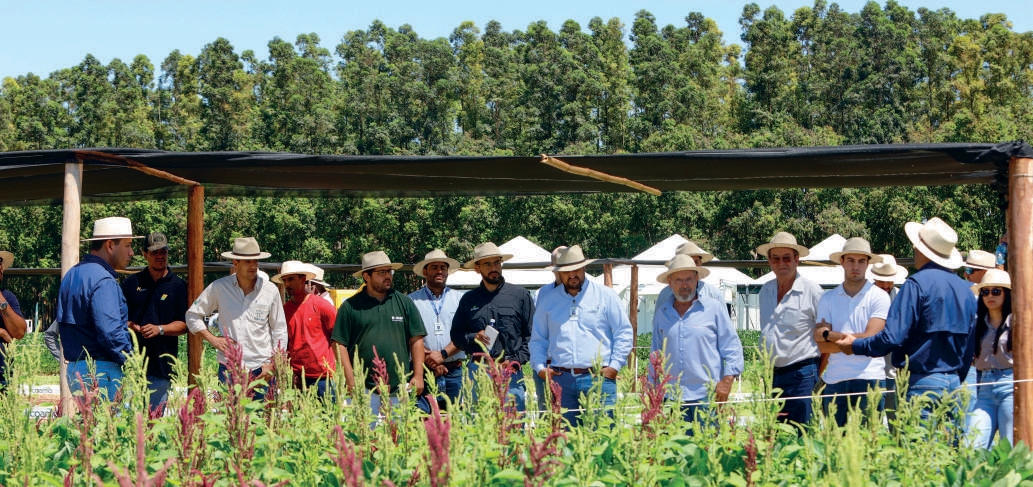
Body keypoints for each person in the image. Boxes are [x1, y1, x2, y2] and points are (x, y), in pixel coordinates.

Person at [837, 217, 977, 421]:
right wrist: (956, 376)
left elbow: (892, 337)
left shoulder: (916, 285)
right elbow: (970, 345)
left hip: (921, 381)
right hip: (954, 382)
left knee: (917, 447)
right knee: (950, 448)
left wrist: (856, 345)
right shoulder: (967, 290)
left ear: (921, 250)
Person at [530, 245, 633, 426]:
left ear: (584, 267)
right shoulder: (547, 300)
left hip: (598, 378)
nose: (572, 275)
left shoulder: (606, 296)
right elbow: (538, 339)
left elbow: (623, 332)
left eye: (576, 269)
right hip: (561, 379)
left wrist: (614, 367)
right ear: (558, 273)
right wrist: (540, 368)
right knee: (563, 441)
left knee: (603, 438)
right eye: (566, 271)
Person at [186, 237, 288, 400]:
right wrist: (213, 339)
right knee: (230, 421)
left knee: (261, 422)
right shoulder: (219, 287)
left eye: (256, 260)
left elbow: (280, 330)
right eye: (247, 261)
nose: (253, 265)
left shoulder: (270, 291)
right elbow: (192, 315)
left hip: (262, 368)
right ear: (235, 262)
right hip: (229, 368)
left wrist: (273, 364)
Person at [650, 254, 743, 425]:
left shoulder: (714, 309)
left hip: (708, 395)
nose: (684, 285)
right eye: (678, 280)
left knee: (709, 447)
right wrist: (653, 389)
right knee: (677, 448)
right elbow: (656, 354)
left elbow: (732, 346)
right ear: (669, 282)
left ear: (697, 279)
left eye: (688, 279)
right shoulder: (662, 313)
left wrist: (727, 381)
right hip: (674, 396)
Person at [332, 251, 427, 414]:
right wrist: (351, 380)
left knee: (397, 437)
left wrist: (418, 376)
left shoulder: (404, 303)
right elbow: (338, 344)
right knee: (364, 437)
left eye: (389, 271)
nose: (388, 276)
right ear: (366, 276)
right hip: (364, 390)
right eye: (381, 272)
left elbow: (416, 340)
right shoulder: (350, 307)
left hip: (399, 388)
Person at [57, 217, 140, 400]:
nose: (132, 252)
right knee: (111, 427)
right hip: (102, 372)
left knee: (89, 427)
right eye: (127, 245)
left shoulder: (72, 275)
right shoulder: (103, 280)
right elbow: (110, 332)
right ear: (110, 245)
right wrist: (133, 360)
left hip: (76, 368)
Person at [813, 238, 890, 427]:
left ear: (868, 264)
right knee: (835, 445)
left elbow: (873, 339)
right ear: (842, 262)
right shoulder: (828, 298)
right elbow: (821, 344)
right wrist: (858, 344)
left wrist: (830, 335)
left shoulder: (880, 296)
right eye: (851, 260)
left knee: (868, 445)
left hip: (870, 377)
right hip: (835, 378)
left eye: (861, 261)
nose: (855, 266)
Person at [451, 242, 534, 411]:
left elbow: (532, 337)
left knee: (514, 429)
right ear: (477, 268)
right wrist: (473, 337)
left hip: (510, 373)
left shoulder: (520, 296)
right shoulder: (468, 299)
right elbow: (456, 335)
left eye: (497, 262)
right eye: (487, 264)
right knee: (480, 428)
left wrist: (515, 361)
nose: (493, 267)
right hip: (478, 372)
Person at [757, 231, 823, 426]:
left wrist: (820, 375)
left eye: (787, 258)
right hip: (772, 375)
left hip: (803, 374)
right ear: (769, 261)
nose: (781, 263)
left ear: (797, 260)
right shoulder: (765, 291)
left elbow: (826, 336)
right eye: (776, 258)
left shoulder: (812, 291)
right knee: (777, 434)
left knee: (802, 433)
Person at [121, 232, 188, 412]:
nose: (160, 256)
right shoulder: (131, 283)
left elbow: (185, 324)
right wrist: (132, 327)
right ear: (144, 254)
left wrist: (161, 329)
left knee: (154, 418)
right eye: (155, 252)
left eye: (163, 251)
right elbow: (118, 319)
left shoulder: (179, 286)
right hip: (132, 365)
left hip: (162, 366)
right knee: (132, 420)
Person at [272, 260, 337, 400]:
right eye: (284, 280)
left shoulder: (321, 306)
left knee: (330, 419)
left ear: (303, 279)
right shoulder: (285, 310)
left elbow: (339, 338)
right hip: (297, 377)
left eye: (291, 279)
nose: (287, 284)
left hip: (324, 377)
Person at [408, 249, 465, 407]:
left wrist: (443, 355)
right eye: (434, 267)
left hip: (454, 372)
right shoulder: (411, 301)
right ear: (425, 271)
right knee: (423, 422)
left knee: (452, 423)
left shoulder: (460, 299)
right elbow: (406, 335)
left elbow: (465, 333)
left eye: (443, 267)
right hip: (422, 372)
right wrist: (429, 358)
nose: (439, 271)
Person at [967, 269, 1014, 449]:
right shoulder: (978, 323)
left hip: (1010, 385)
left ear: (1007, 294)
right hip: (984, 387)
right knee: (971, 444)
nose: (989, 296)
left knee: (1009, 447)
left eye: (996, 291)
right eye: (985, 292)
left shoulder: (1017, 322)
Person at [656, 240, 724, 307]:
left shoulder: (713, 294)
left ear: (700, 263)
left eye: (696, 262)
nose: (693, 267)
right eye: (687, 263)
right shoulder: (665, 295)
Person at [0, 250, 29, 390]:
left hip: (4, 372)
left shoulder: (8, 297)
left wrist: (1, 302)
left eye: (1, 264)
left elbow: (19, 333)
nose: (0, 268)